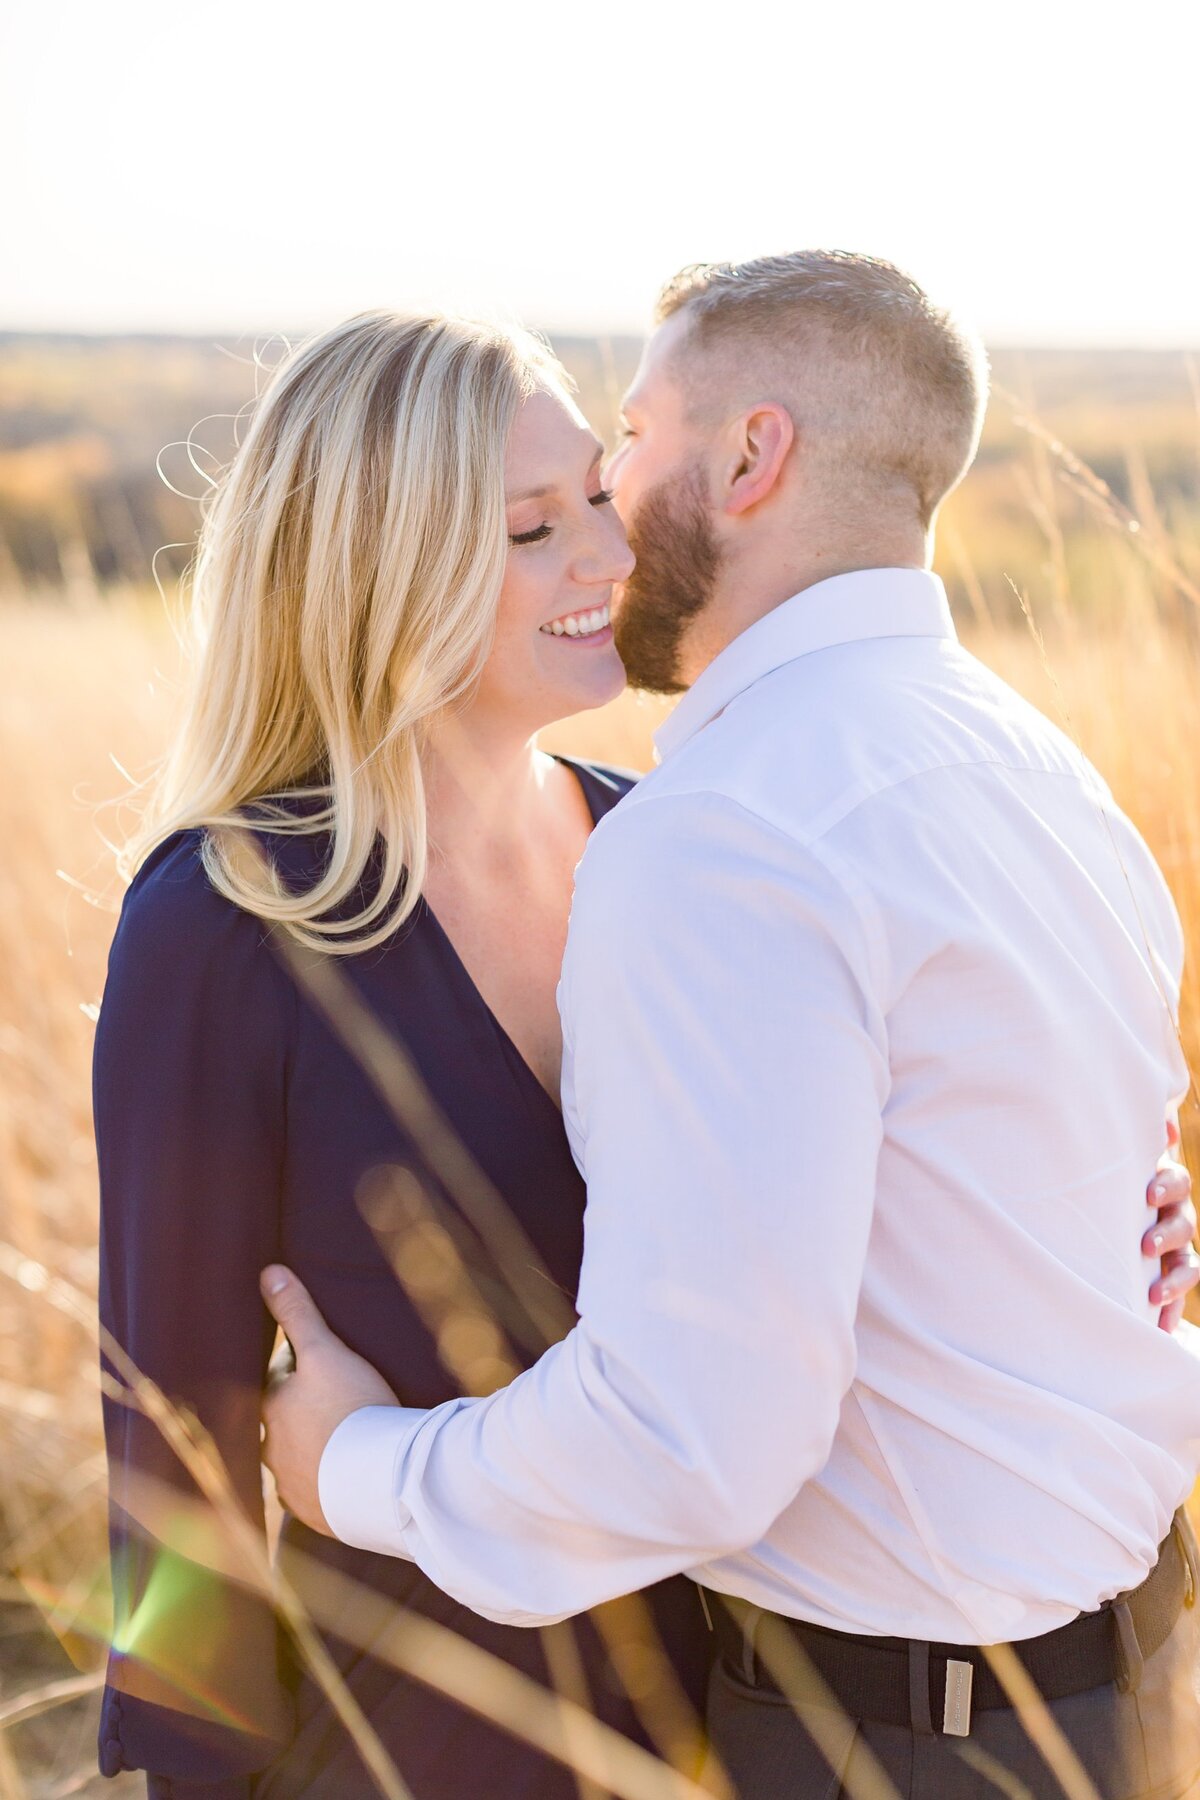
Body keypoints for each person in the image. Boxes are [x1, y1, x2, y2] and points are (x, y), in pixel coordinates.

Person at [260, 254, 1200, 1800]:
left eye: (630, 435)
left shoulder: (724, 829)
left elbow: (695, 1433)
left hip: (908, 1744)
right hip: (1130, 1683)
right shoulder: (1043, 770)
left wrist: (352, 1469)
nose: (610, 498)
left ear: (753, 457)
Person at [95, 313, 722, 1799]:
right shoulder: (228, 923)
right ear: (380, 576)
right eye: (527, 528)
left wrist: (1102, 1210)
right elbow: (173, 1438)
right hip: (406, 1746)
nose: (604, 558)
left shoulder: (672, 851)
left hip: (739, 1714)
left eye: (595, 494)